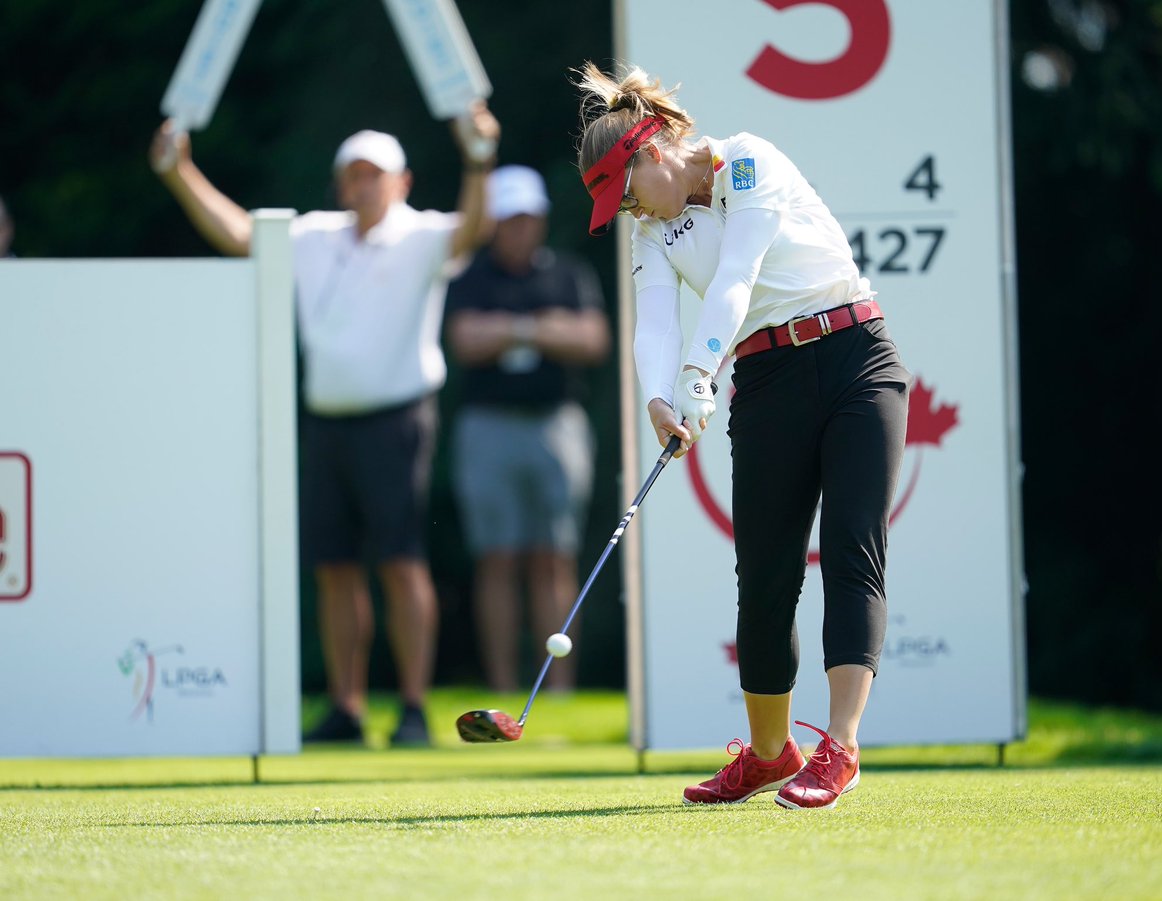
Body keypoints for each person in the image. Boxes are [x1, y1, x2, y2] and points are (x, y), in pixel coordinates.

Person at [574, 63, 910, 809]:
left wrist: (698, 374)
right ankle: (769, 753)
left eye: (625, 189)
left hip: (857, 357)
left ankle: (841, 747)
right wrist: (662, 396)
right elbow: (653, 323)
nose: (628, 207)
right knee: (765, 574)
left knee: (854, 545)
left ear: (651, 151)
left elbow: (737, 271)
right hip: (767, 382)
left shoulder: (750, 158)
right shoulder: (651, 232)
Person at [149, 105, 500, 746]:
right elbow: (236, 233)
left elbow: (475, 227)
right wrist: (181, 173)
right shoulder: (313, 236)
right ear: (341, 182)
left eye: (375, 174)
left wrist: (479, 159)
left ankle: (414, 708)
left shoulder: (422, 234)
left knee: (399, 561)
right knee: (333, 566)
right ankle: (347, 706)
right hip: (328, 424)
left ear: (402, 182)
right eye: (354, 174)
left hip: (399, 420)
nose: (362, 184)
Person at [444, 165, 610, 692]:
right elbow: (464, 341)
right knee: (497, 559)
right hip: (488, 427)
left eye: (528, 218)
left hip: (556, 425)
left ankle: (556, 692)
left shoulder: (567, 273)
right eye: (510, 219)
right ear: (493, 222)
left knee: (553, 558)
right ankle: (501, 686)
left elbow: (592, 340)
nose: (520, 228)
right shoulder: (470, 276)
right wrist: (545, 329)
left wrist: (510, 330)